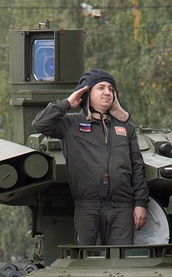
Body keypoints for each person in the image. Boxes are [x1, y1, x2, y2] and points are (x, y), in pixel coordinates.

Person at [31, 69, 149, 245]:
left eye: (111, 89)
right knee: (89, 262)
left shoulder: (126, 128)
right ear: (86, 93)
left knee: (122, 263)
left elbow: (137, 166)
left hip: (122, 207)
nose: (107, 92)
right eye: (101, 88)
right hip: (88, 206)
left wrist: (140, 203)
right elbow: (39, 124)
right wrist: (67, 103)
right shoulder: (71, 125)